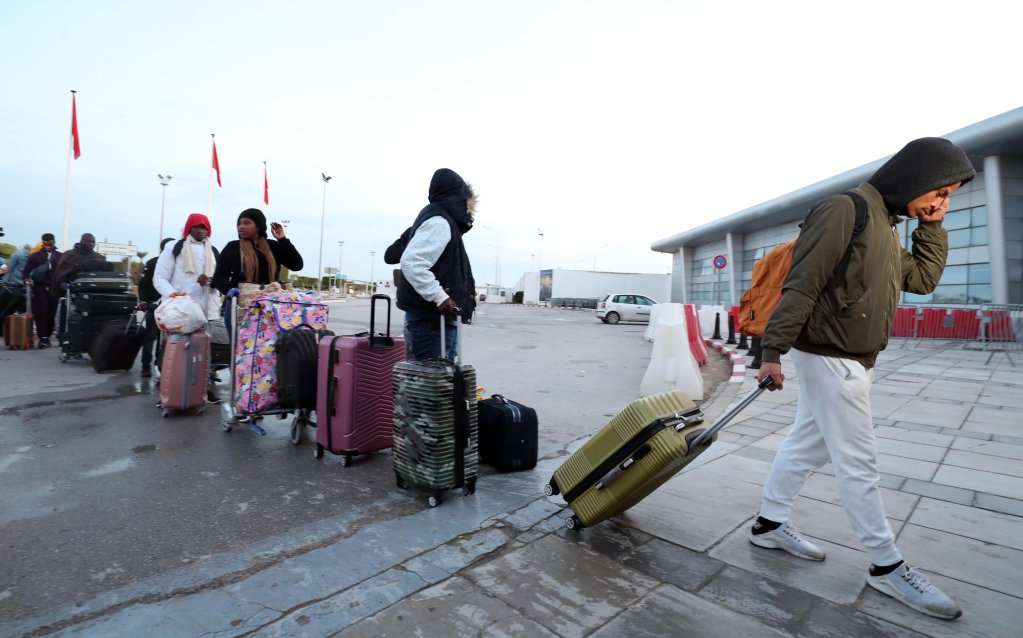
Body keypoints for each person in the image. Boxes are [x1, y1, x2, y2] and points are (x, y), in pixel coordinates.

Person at [749, 137, 975, 621]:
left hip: (849, 358)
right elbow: (803, 281)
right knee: (858, 461)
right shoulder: (844, 210)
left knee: (806, 444)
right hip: (831, 357)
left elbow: (923, 280)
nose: (942, 202)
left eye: (950, 197)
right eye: (941, 192)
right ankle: (886, 566)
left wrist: (932, 226)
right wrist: (770, 352)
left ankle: (768, 525)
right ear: (919, 176)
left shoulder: (885, 229)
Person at [395, 168, 477, 361]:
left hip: (433, 323)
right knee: (430, 385)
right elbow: (413, 262)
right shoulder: (440, 222)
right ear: (457, 197)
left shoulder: (439, 218)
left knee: (438, 384)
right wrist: (440, 297)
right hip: (431, 324)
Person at [137, 237, 175, 378]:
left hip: (171, 307)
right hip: (153, 306)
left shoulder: (178, 264)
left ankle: (163, 365)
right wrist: (143, 301)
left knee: (169, 339)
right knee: (150, 337)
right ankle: (145, 366)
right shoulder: (153, 262)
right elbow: (143, 283)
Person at [21, 233, 62, 348]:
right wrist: (26, 279)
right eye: (45, 243)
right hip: (39, 287)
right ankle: (42, 338)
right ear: (42, 242)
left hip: (54, 288)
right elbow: (26, 271)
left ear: (54, 242)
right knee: (41, 312)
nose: (47, 245)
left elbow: (65, 271)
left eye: (50, 243)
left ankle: (47, 336)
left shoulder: (60, 256)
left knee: (51, 313)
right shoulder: (35, 256)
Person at [50, 233, 105, 298]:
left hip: (93, 292)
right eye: (88, 241)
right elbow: (61, 273)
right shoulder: (69, 255)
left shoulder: (99, 257)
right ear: (81, 241)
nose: (91, 244)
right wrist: (63, 284)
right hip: (72, 291)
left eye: (93, 242)